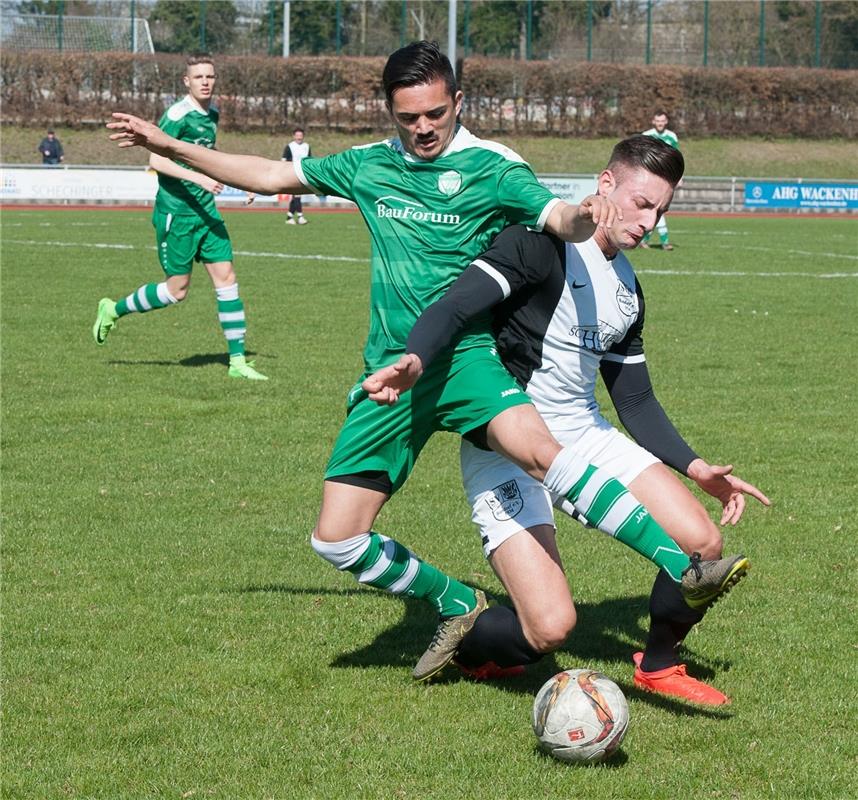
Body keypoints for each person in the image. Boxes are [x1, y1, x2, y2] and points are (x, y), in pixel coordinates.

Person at [107, 41, 747, 684]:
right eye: (408, 116)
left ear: (457, 102)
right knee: (336, 538)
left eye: (435, 113)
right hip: (392, 370)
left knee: (541, 452)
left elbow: (556, 216)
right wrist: (166, 143)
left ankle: (684, 565)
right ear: (390, 109)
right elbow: (270, 176)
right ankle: (457, 602)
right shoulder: (368, 166)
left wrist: (585, 214)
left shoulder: (493, 166)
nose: (422, 128)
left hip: (466, 358)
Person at [365, 135, 770, 702]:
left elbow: (634, 400)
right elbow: (456, 304)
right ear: (605, 184)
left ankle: (658, 665)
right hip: (506, 441)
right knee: (550, 629)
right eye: (642, 203)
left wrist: (696, 466)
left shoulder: (628, 287)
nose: (650, 221)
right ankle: (472, 636)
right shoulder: (537, 245)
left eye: (662, 210)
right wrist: (415, 357)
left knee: (702, 540)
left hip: (583, 431)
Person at [92, 53, 267, 381]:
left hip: (206, 212)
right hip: (177, 213)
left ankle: (238, 362)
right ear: (186, 81)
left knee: (227, 280)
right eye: (199, 77)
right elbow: (156, 161)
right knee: (176, 291)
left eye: (210, 76)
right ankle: (112, 309)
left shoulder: (212, 112)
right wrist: (198, 179)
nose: (205, 82)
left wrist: (240, 179)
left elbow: (207, 158)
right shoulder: (176, 114)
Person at [640, 110, 679, 251]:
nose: (660, 123)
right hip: (649, 179)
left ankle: (645, 240)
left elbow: (676, 158)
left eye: (662, 121)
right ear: (653, 121)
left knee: (657, 208)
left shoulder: (672, 137)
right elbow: (639, 157)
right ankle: (664, 242)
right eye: (658, 120)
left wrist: (679, 177)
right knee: (656, 208)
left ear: (666, 121)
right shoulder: (646, 135)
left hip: (665, 179)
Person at [282, 127, 311, 224]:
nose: (299, 137)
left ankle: (289, 217)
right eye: (297, 135)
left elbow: (309, 160)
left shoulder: (306, 146)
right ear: (294, 136)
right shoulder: (289, 146)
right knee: (297, 195)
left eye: (301, 135)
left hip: (303, 173)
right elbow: (283, 161)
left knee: (296, 196)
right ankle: (300, 217)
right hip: (292, 173)